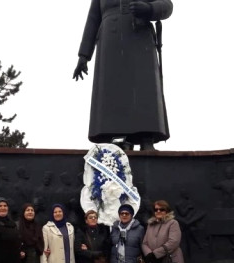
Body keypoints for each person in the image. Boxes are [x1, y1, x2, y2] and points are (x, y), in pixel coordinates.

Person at [73, 0, 174, 150]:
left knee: (144, 89)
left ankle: (147, 137)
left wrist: (150, 8)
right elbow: (93, 19)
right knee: (114, 91)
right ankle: (119, 139)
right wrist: (84, 55)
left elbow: (167, 5)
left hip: (140, 39)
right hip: (110, 42)